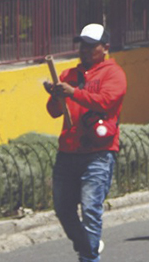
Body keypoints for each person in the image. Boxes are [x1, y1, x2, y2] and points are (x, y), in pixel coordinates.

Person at [45, 24, 127, 262]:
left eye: (91, 46)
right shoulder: (68, 75)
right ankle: (87, 246)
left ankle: (88, 257)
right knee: (62, 208)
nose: (85, 50)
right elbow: (53, 111)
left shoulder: (114, 73)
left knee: (91, 209)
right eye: (83, 45)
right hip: (68, 151)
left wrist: (74, 93)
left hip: (98, 153)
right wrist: (56, 95)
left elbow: (107, 102)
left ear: (105, 48)